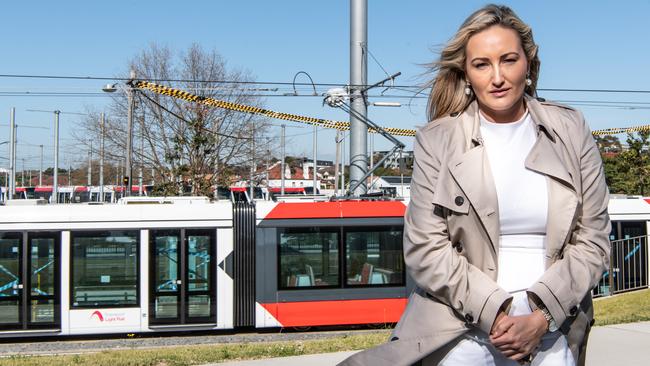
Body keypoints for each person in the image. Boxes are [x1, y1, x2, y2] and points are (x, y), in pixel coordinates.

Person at [339, 4, 610, 366]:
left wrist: (540, 317)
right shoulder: (438, 140)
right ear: (467, 73)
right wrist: (495, 315)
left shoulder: (571, 128)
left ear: (528, 64)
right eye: (482, 64)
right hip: (462, 331)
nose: (497, 77)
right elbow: (424, 247)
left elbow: (593, 239)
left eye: (508, 60)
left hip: (551, 330)